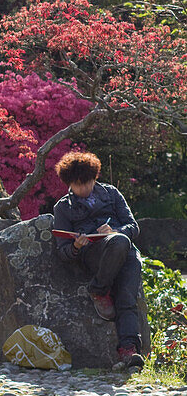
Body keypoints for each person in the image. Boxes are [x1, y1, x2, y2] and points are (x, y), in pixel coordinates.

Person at [53, 150, 144, 371]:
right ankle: (99, 288)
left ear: (95, 178)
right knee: (119, 243)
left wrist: (114, 230)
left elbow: (133, 227)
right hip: (94, 255)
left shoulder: (111, 194)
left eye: (88, 183)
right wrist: (76, 246)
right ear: (69, 184)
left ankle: (129, 351)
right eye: (77, 185)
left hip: (124, 253)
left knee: (126, 295)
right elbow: (63, 251)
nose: (83, 189)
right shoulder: (63, 207)